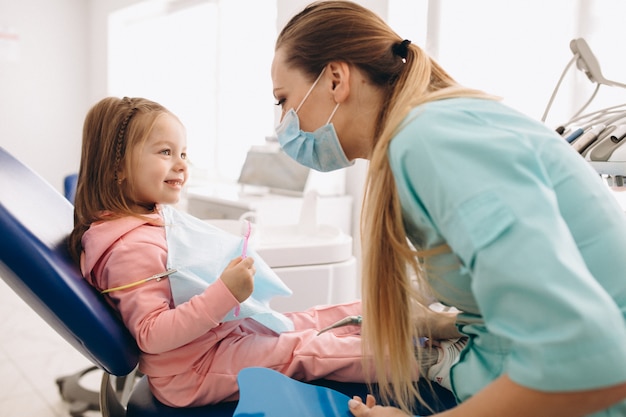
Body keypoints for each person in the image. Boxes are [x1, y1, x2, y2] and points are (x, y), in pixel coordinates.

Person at [271, 1, 626, 416]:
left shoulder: (430, 138)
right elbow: (520, 304)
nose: (283, 124)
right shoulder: (417, 138)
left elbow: (591, 360)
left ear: (335, 79)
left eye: (283, 100)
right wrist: (445, 324)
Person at [67, 96, 462, 408]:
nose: (181, 164)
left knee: (314, 318)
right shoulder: (127, 249)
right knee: (306, 349)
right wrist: (224, 293)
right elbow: (152, 336)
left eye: (183, 153)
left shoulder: (147, 219)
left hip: (214, 341)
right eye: (165, 152)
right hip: (193, 372)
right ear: (117, 167)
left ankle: (418, 323)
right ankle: (431, 361)